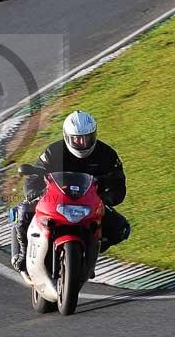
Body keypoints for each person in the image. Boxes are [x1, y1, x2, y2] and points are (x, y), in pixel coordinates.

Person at [10, 110, 131, 272]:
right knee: (23, 210)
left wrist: (105, 199)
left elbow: (119, 183)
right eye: (77, 139)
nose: (82, 143)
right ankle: (24, 253)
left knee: (120, 229)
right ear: (67, 137)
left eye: (87, 138)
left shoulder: (107, 154)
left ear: (94, 135)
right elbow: (34, 176)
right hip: (55, 200)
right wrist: (35, 193)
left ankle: (90, 252)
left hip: (90, 202)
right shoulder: (54, 151)